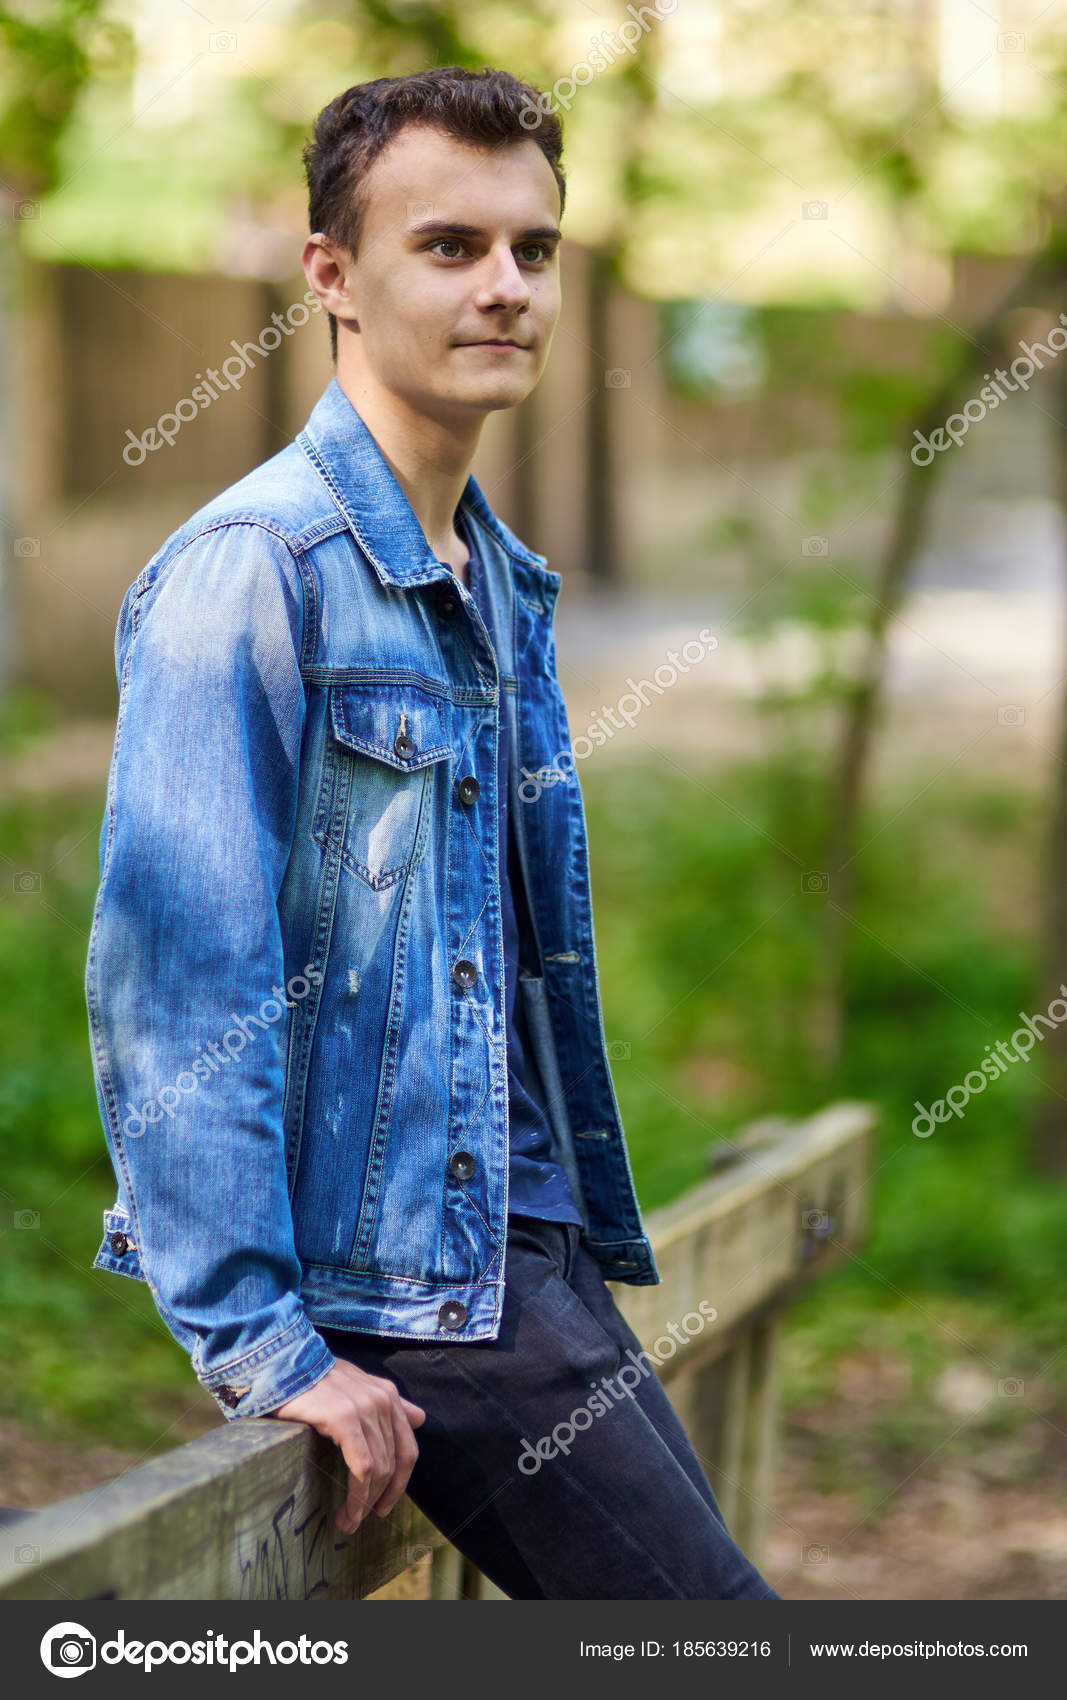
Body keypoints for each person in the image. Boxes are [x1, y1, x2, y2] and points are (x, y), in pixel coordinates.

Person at [85, 65, 778, 1601]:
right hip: (411, 1305)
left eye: (533, 249)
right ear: (329, 275)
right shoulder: (254, 574)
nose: (508, 287)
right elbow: (175, 988)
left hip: (524, 1258)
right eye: (450, 246)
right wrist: (265, 1341)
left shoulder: (495, 582)